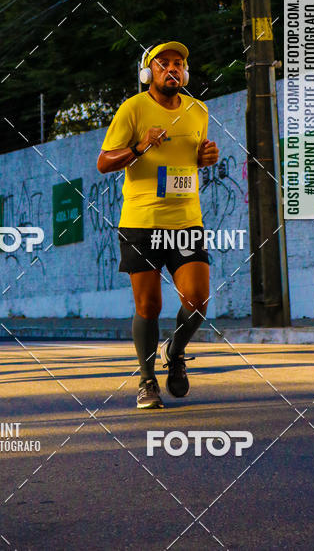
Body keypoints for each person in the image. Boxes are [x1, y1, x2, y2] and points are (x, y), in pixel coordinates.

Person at [97, 42, 219, 409]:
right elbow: (103, 162)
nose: (172, 69)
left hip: (185, 222)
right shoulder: (132, 109)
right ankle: (147, 379)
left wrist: (204, 158)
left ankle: (176, 351)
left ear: (186, 72)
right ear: (148, 73)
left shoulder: (198, 110)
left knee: (197, 301)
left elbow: (190, 160)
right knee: (148, 305)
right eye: (163, 63)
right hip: (142, 223)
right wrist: (138, 148)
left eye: (178, 64)